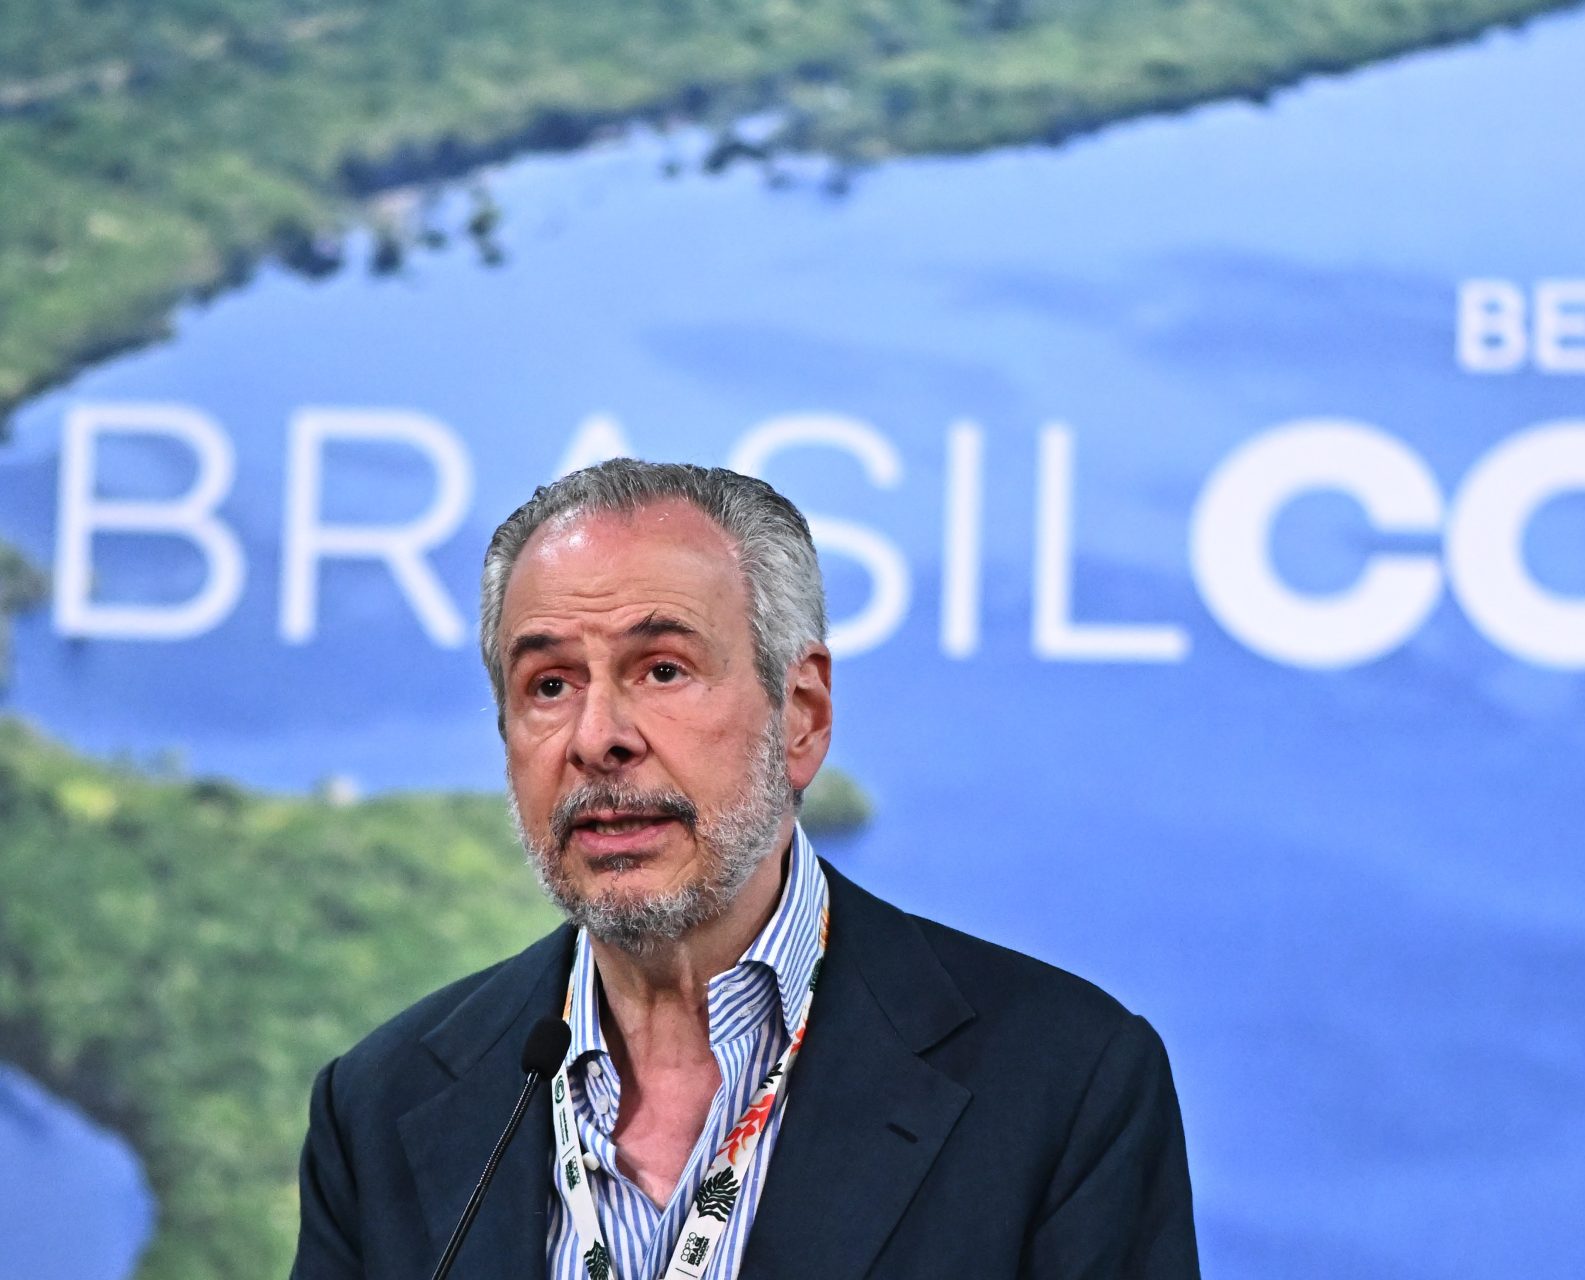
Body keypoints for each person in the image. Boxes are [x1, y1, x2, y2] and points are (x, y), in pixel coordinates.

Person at [290, 459, 1201, 1280]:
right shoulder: (383, 1105)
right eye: (550, 685)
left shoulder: (1062, 1083)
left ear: (799, 716)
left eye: (662, 670)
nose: (598, 737)